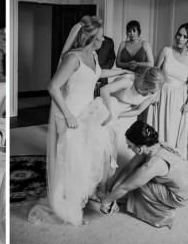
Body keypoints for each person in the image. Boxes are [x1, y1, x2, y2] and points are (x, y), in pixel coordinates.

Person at [28, 15, 131, 226]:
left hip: (88, 111)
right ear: (91, 37)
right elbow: (53, 87)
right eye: (101, 37)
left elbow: (97, 74)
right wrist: (68, 116)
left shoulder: (93, 55)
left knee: (94, 153)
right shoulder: (72, 58)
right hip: (71, 112)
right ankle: (68, 205)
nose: (104, 40)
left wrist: (122, 71)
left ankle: (90, 192)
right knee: (73, 161)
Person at [100, 120, 188, 229]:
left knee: (137, 181)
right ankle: (124, 197)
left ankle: (163, 215)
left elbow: (126, 186)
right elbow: (128, 168)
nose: (128, 148)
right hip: (184, 187)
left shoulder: (154, 164)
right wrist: (112, 191)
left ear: (139, 147)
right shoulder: (152, 145)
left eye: (130, 146)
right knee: (134, 174)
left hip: (180, 197)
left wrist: (106, 201)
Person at [147, 23, 188, 159]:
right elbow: (155, 72)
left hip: (179, 97)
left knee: (172, 130)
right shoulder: (166, 50)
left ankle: (170, 161)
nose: (180, 39)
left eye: (185, 37)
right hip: (162, 93)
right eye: (179, 35)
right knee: (156, 129)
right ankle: (154, 159)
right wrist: (155, 93)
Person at [98, 68, 164, 167]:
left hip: (127, 114)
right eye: (147, 89)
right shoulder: (128, 81)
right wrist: (111, 113)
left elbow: (138, 111)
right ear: (144, 80)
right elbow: (104, 90)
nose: (147, 94)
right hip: (109, 108)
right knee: (107, 148)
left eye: (151, 92)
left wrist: (120, 115)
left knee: (126, 150)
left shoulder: (154, 91)